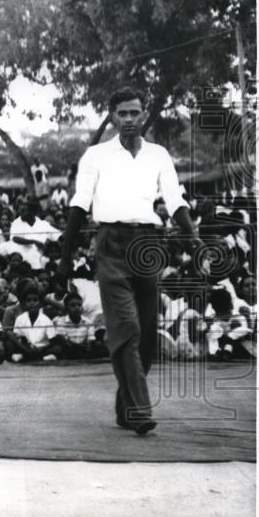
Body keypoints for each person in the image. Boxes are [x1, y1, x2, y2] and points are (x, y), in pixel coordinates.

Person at [58, 86, 203, 435]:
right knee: (127, 329)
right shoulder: (95, 155)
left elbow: (175, 199)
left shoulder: (158, 155)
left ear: (143, 115)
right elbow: (79, 204)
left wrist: (194, 240)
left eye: (134, 112)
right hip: (111, 243)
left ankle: (124, 405)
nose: (128, 119)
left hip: (149, 244)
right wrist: (65, 257)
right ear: (110, 116)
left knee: (148, 339)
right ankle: (140, 410)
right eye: (121, 113)